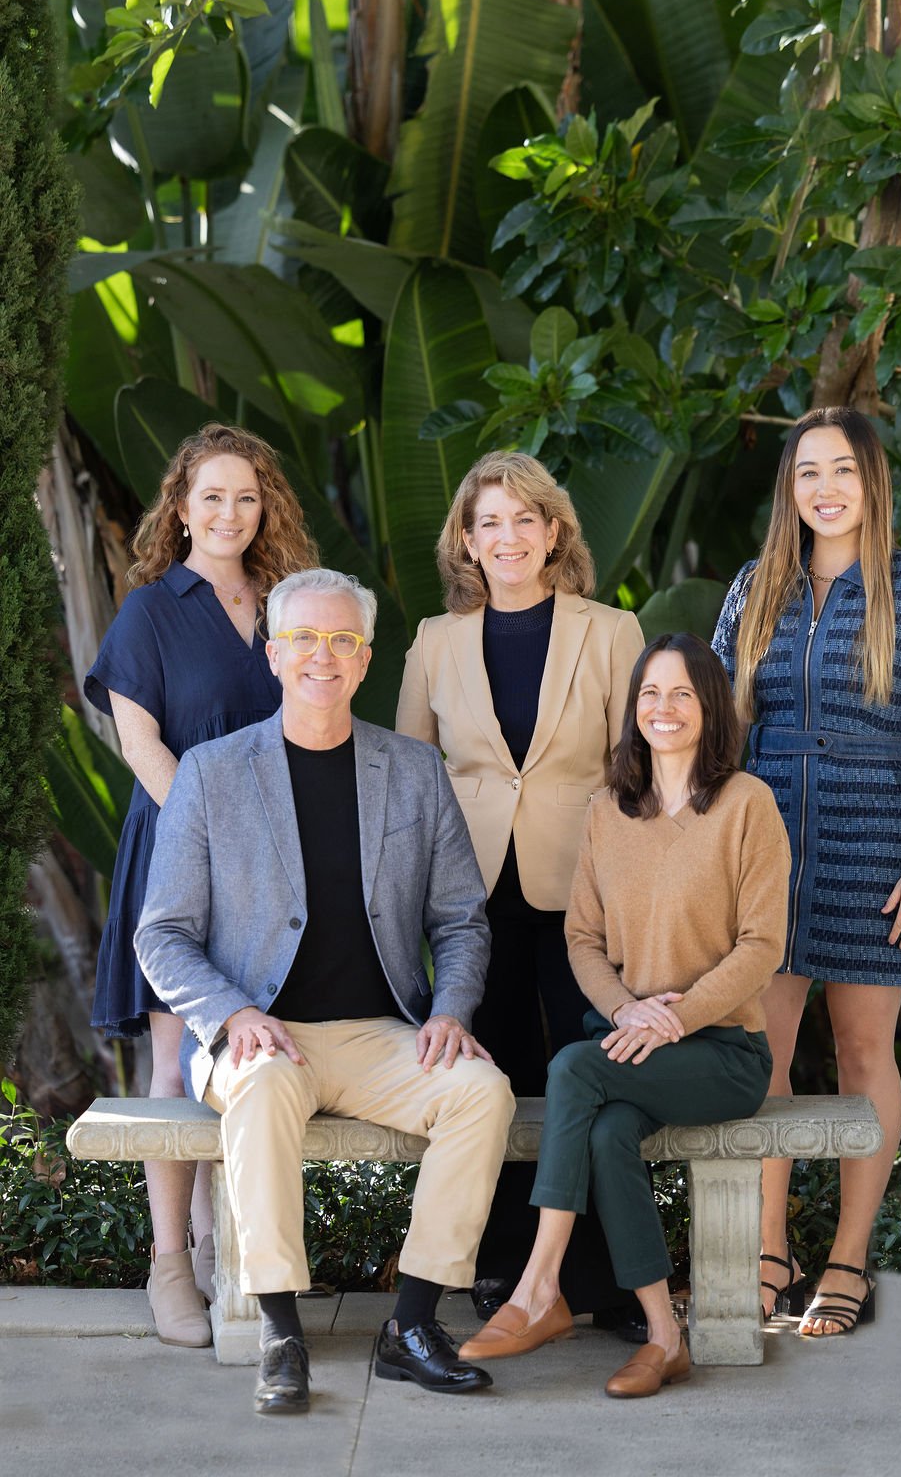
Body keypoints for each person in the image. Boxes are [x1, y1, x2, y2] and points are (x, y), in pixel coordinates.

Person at [135, 568, 516, 1416]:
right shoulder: (211, 773)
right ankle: (281, 1333)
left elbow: (460, 919)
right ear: (273, 655)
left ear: (366, 660)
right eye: (304, 639)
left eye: (343, 641)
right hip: (259, 1035)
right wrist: (232, 1014)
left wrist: (450, 1010)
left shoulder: (414, 771)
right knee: (264, 1085)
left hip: (381, 1034)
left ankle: (412, 1325)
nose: (323, 656)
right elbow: (161, 934)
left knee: (482, 1093)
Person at [457, 632, 789, 1396]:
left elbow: (762, 945)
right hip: (630, 1044)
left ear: (710, 706)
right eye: (650, 693)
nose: (664, 708)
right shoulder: (609, 810)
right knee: (607, 1134)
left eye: (682, 694)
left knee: (573, 1067)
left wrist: (676, 1017)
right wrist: (626, 1010)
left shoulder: (747, 804)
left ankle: (538, 1288)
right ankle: (665, 1337)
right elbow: (582, 938)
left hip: (723, 1051)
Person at [712, 406, 901, 1336]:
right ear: (789, 489)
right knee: (763, 1052)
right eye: (808, 473)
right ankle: (769, 1250)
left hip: (878, 842)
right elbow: (721, 727)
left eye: (843, 471)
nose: (825, 489)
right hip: (766, 839)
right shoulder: (756, 587)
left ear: (873, 483)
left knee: (866, 1051)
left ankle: (849, 1260)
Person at [395, 450, 646, 1334]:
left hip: (585, 886)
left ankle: (609, 1279)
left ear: (554, 532)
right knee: (490, 1075)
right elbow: (409, 776)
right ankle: (501, 1265)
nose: (507, 537)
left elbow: (635, 769)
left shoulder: (610, 630)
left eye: (524, 519)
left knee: (594, 1075)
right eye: (489, 522)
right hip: (469, 896)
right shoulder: (434, 641)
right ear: (466, 539)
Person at [84, 424, 318, 1349]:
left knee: (246, 1058)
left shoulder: (288, 603)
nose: (230, 513)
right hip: (180, 851)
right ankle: (171, 1262)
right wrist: (213, 832)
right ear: (181, 508)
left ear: (266, 509)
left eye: (246, 497)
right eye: (212, 496)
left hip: (275, 863)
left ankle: (229, 1246)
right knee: (178, 1060)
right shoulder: (149, 612)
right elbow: (139, 742)